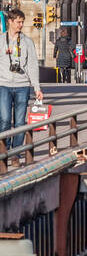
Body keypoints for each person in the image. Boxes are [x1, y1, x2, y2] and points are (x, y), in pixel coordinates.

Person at [0, 9, 43, 162]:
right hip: (3, 85)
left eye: (22, 22)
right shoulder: (0, 40)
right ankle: (4, 151)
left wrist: (36, 87)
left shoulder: (27, 42)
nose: (21, 25)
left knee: (19, 122)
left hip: (22, 85)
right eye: (18, 22)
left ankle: (16, 154)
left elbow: (32, 65)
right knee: (4, 120)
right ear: (10, 22)